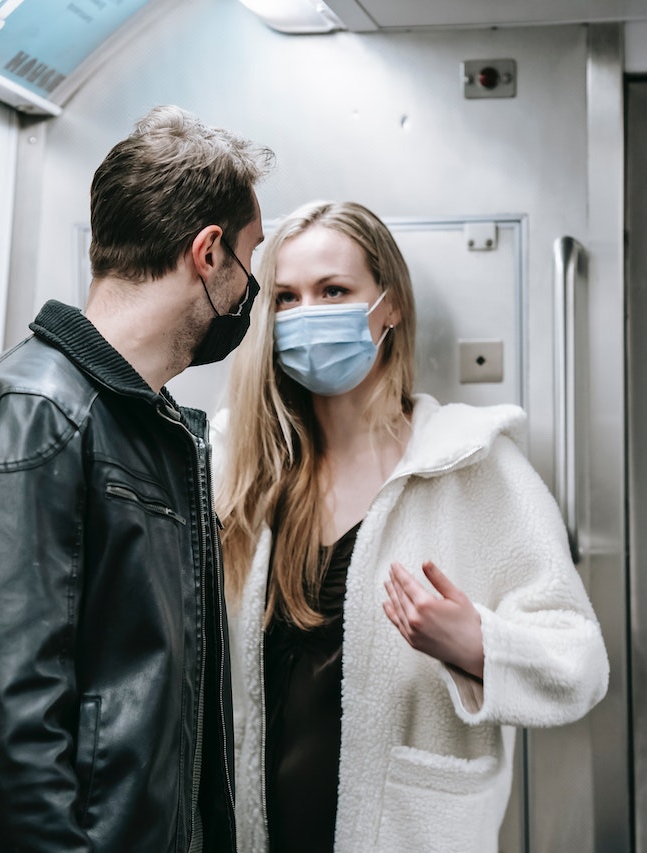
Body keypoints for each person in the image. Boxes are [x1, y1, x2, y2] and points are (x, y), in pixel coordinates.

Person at [215, 201, 609, 853]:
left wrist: (475, 643)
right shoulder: (238, 469)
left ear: (389, 305)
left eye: (334, 290)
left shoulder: (471, 466)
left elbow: (580, 665)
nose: (309, 314)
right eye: (287, 297)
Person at [0, 105, 272, 852]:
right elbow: (4, 733)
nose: (250, 295)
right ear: (208, 253)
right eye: (250, 262)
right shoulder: (30, 415)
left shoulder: (152, 426)